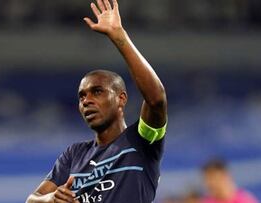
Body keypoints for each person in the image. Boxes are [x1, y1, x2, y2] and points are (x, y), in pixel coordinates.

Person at [26, 0, 168, 202]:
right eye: (82, 95)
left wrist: (120, 38)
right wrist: (49, 200)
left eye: (97, 91)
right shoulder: (74, 154)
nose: (87, 100)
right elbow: (32, 199)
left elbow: (156, 100)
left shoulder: (142, 142)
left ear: (121, 99)